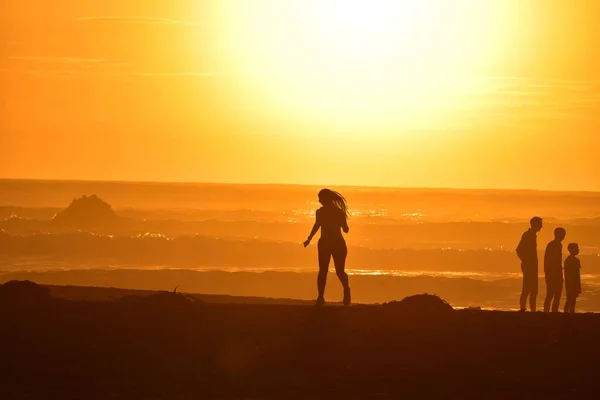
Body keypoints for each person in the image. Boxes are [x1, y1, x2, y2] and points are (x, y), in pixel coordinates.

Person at [303, 189, 351, 306]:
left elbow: (345, 229)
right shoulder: (327, 212)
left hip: (332, 243)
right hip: (330, 243)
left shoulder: (332, 212)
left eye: (320, 198)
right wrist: (309, 238)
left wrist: (309, 239)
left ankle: (346, 290)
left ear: (326, 199)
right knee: (324, 271)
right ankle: (320, 297)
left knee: (336, 271)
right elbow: (317, 225)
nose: (319, 200)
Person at [516, 216, 543, 311]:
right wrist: (525, 261)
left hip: (533, 266)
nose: (542, 226)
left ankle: (533, 309)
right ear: (535, 225)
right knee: (527, 288)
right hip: (529, 266)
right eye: (540, 224)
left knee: (534, 290)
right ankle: (523, 308)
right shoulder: (527, 235)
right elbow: (518, 249)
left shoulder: (533, 235)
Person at [543, 227, 566, 312]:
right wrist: (549, 274)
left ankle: (553, 312)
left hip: (557, 273)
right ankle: (547, 311)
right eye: (563, 235)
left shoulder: (558, 245)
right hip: (552, 274)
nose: (563, 237)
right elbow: (548, 261)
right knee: (551, 294)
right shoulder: (552, 245)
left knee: (557, 295)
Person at [564, 243, 582, 313]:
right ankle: (567, 313)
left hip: (573, 283)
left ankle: (571, 313)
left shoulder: (574, 260)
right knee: (570, 300)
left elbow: (577, 274)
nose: (578, 250)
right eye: (576, 248)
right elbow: (571, 274)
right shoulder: (570, 261)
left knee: (572, 300)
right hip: (571, 283)